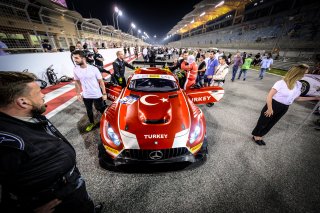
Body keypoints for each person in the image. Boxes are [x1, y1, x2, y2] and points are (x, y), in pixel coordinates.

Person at [0, 72, 96, 212]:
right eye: (39, 92)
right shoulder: (7, 143)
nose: (43, 95)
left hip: (71, 187)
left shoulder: (31, 115)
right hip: (56, 202)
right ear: (23, 102)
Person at [251, 64, 320, 145]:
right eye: (304, 73)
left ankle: (261, 135)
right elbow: (269, 96)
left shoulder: (299, 85)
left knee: (272, 123)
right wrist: (270, 108)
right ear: (297, 73)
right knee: (263, 122)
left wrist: (315, 98)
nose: (306, 75)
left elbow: (297, 98)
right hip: (273, 104)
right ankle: (256, 136)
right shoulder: (281, 83)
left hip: (285, 107)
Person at [73, 50, 107, 132]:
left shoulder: (94, 69)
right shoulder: (75, 69)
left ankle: (108, 120)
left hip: (96, 94)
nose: (75, 60)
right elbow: (77, 82)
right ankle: (92, 123)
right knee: (89, 110)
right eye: (74, 58)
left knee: (100, 108)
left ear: (83, 58)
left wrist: (104, 93)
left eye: (76, 58)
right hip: (86, 95)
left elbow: (101, 81)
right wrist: (78, 93)